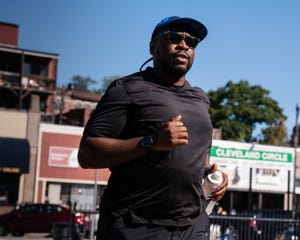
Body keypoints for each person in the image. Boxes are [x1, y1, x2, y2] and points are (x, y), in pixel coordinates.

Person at [78, 16, 228, 240]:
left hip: (192, 227)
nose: (184, 45)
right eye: (174, 37)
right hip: (136, 226)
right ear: (152, 47)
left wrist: (213, 177)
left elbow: (193, 160)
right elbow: (87, 154)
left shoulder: (200, 99)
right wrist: (150, 142)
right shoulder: (126, 89)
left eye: (192, 41)